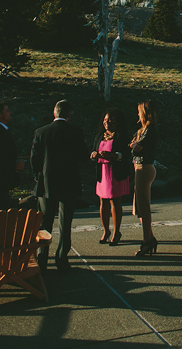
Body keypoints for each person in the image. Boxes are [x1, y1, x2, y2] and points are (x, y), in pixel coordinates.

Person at [31, 99, 88, 272]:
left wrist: (38, 177)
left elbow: (35, 159)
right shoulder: (76, 132)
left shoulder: (41, 132)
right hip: (69, 182)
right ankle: (62, 258)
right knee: (65, 222)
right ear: (70, 115)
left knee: (45, 223)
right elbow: (83, 157)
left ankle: (42, 258)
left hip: (47, 183)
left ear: (54, 113)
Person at [90, 107, 131, 246]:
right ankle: (105, 230)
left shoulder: (121, 136)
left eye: (111, 121)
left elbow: (125, 155)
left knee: (115, 202)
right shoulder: (99, 136)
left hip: (115, 173)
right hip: (102, 173)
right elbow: (93, 152)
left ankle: (116, 231)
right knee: (103, 203)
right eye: (105, 120)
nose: (107, 123)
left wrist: (112, 155)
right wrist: (94, 155)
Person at [129, 100, 159, 257]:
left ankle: (147, 240)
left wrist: (134, 145)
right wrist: (134, 145)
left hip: (144, 168)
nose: (138, 115)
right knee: (139, 206)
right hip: (139, 168)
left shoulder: (150, 130)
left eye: (139, 112)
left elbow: (136, 147)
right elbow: (133, 145)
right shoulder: (143, 130)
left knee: (143, 205)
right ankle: (150, 237)